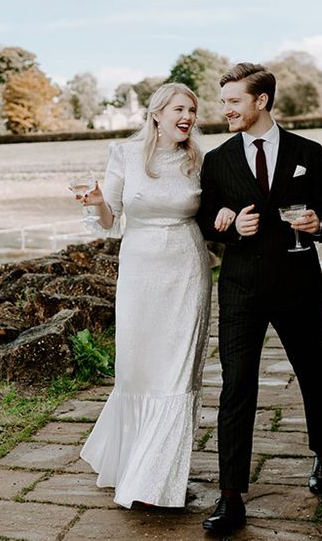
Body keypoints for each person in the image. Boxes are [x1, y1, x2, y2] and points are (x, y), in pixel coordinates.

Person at [197, 62, 322, 534]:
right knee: (236, 390)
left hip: (300, 289)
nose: (225, 109)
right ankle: (231, 496)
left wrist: (318, 224)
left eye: (234, 101)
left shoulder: (308, 152)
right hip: (241, 291)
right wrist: (227, 224)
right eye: (225, 100)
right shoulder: (218, 159)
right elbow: (205, 215)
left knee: (316, 376)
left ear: (261, 101)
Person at [74, 82, 216, 508]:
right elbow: (109, 219)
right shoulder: (125, 155)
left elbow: (213, 212)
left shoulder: (200, 161)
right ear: (156, 113)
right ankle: (131, 465)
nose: (187, 116)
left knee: (176, 373)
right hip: (139, 271)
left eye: (192, 109)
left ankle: (157, 480)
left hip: (186, 271)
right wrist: (97, 201)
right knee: (138, 369)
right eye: (178, 109)